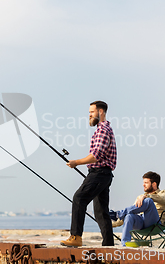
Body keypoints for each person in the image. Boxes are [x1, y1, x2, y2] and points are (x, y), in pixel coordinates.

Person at [60, 101, 117, 247]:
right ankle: (108, 245)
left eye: (92, 112)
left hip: (99, 173)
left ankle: (76, 237)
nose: (90, 115)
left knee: (79, 198)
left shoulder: (103, 130)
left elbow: (96, 156)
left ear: (101, 112)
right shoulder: (103, 129)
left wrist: (76, 162)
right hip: (103, 174)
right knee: (101, 211)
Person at [110, 171, 165, 246]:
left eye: (146, 183)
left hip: (155, 223)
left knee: (148, 201)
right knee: (129, 216)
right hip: (141, 223)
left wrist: (147, 196)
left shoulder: (164, 193)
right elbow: (130, 211)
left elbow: (164, 199)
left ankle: (118, 213)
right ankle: (125, 244)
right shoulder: (141, 197)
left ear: (154, 184)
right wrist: (109, 224)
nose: (143, 185)